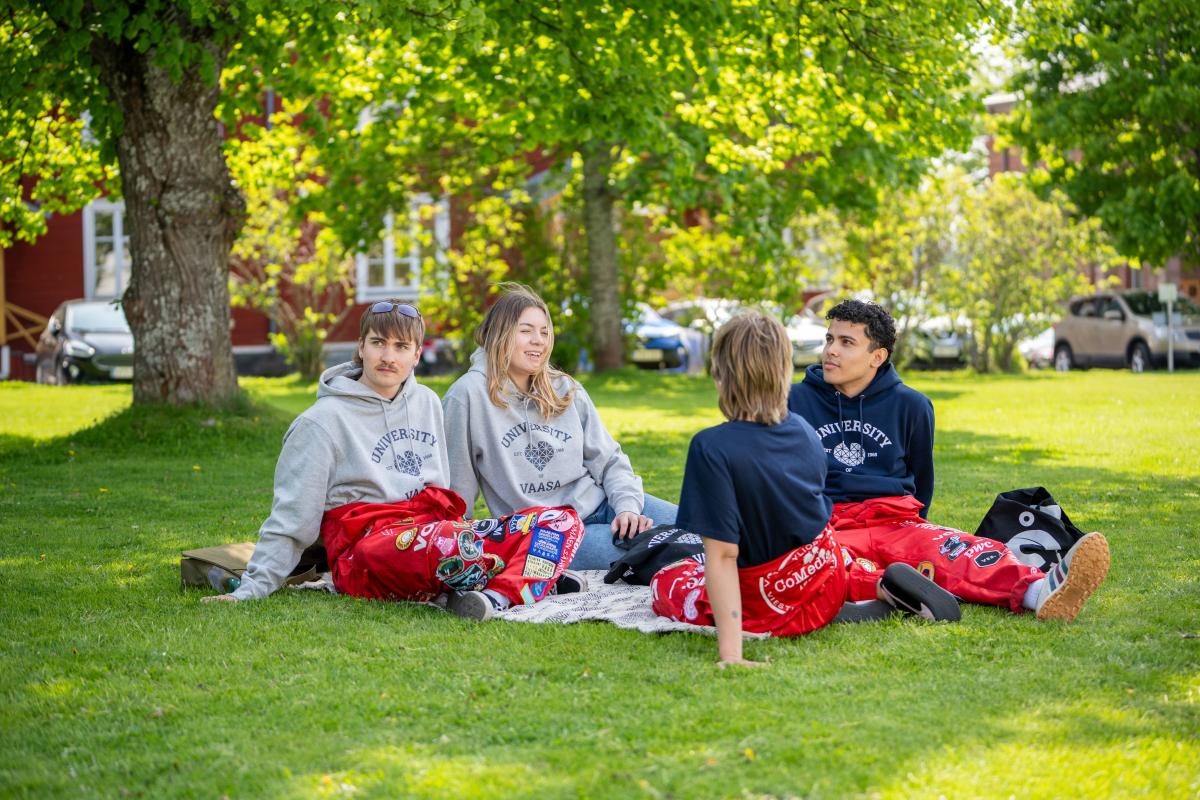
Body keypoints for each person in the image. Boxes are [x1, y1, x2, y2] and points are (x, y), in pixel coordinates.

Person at [203, 299, 584, 619]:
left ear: (417, 354)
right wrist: (251, 589)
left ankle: (493, 597)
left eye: (402, 347)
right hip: (365, 551)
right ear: (361, 347)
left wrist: (467, 532)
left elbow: (442, 494)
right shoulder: (319, 424)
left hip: (432, 533)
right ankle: (529, 577)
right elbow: (292, 520)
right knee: (453, 541)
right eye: (378, 343)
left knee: (559, 519)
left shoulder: (427, 403)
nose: (388, 356)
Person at [650, 310, 959, 667]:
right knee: (813, 556)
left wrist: (731, 654)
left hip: (773, 600)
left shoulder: (711, 447)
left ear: (720, 373)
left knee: (670, 578)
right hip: (824, 576)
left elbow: (722, 556)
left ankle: (816, 607)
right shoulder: (804, 432)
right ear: (784, 370)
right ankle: (874, 585)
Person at [786, 299, 1110, 622]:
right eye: (830, 339)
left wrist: (916, 531)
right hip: (826, 522)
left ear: (877, 356)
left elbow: (921, 479)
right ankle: (877, 590)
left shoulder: (911, 405)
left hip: (894, 521)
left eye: (846, 342)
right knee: (814, 558)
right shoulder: (793, 401)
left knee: (955, 548)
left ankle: (1041, 592)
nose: (831, 350)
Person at [442, 284, 677, 571]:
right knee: (661, 548)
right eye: (526, 330)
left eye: (544, 332)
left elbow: (610, 460)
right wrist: (456, 547)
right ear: (499, 335)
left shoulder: (564, 389)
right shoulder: (467, 396)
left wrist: (627, 506)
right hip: (545, 533)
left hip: (603, 505)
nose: (538, 340)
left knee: (703, 531)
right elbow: (457, 491)